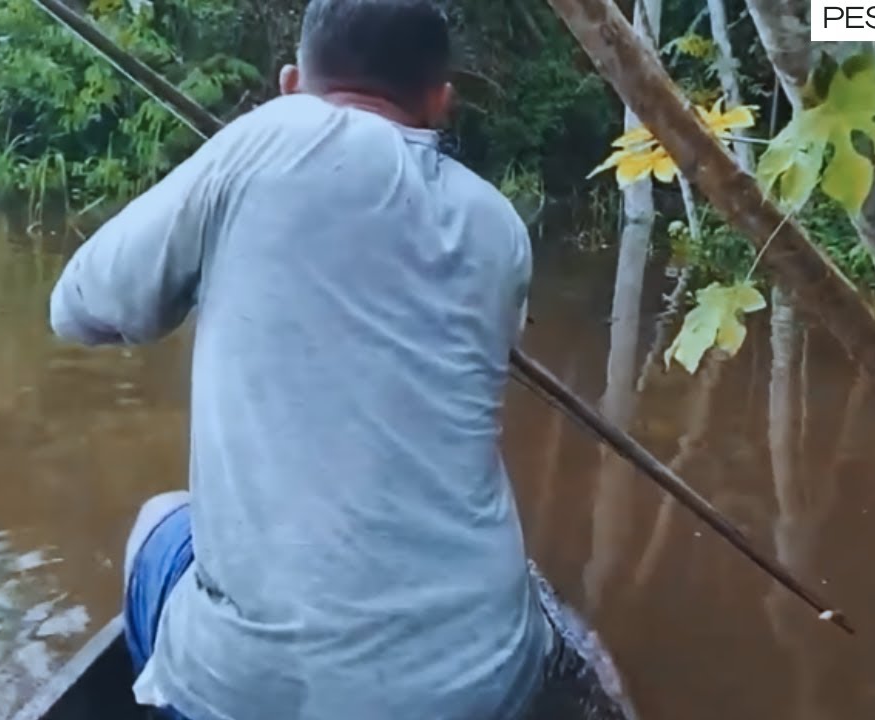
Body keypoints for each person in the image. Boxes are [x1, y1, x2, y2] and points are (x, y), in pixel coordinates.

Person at [49, 1, 636, 718]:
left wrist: (212, 270)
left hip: (244, 694)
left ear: (291, 84)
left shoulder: (268, 136)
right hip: (483, 687)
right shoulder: (500, 227)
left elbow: (76, 308)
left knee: (160, 518)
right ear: (440, 102)